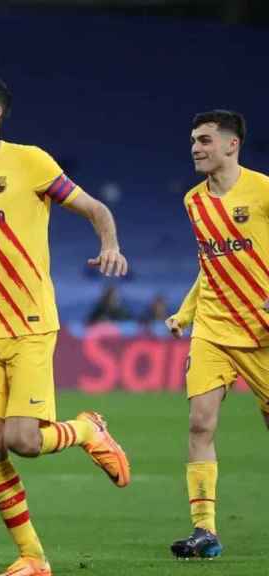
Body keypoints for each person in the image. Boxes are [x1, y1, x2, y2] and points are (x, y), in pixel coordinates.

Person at [0, 70, 131, 576]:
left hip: (29, 323)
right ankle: (32, 558)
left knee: (24, 441)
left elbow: (94, 207)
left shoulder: (30, 161)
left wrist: (109, 244)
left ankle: (87, 430)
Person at [165, 109, 269, 560]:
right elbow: (211, 265)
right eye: (193, 140)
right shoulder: (193, 201)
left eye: (205, 140)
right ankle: (203, 530)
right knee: (200, 422)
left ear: (232, 144)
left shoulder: (262, 191)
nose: (196, 148)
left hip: (261, 331)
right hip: (213, 328)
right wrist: (185, 312)